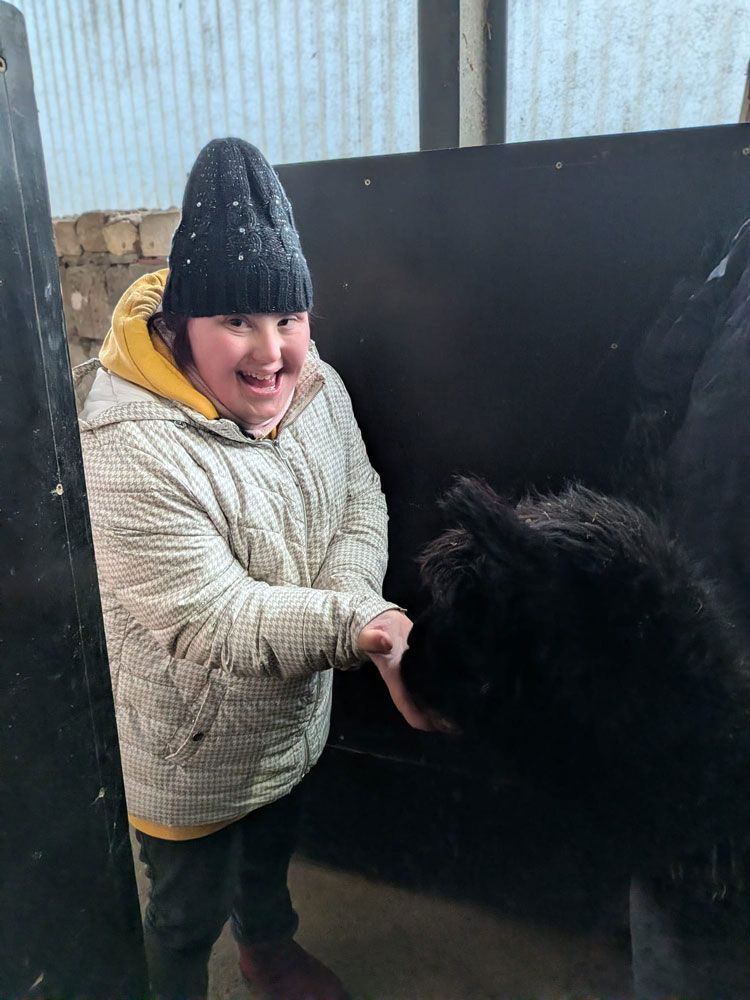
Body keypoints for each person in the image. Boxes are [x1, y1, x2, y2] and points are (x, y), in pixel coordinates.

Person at [74, 137, 439, 1000]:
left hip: (287, 718)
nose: (272, 352)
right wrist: (356, 625)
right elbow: (212, 613)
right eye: (237, 319)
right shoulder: (126, 447)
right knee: (184, 912)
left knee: (272, 853)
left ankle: (266, 952)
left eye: (288, 318)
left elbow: (358, 499)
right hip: (188, 749)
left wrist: (352, 607)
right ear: (181, 326)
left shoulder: (317, 388)